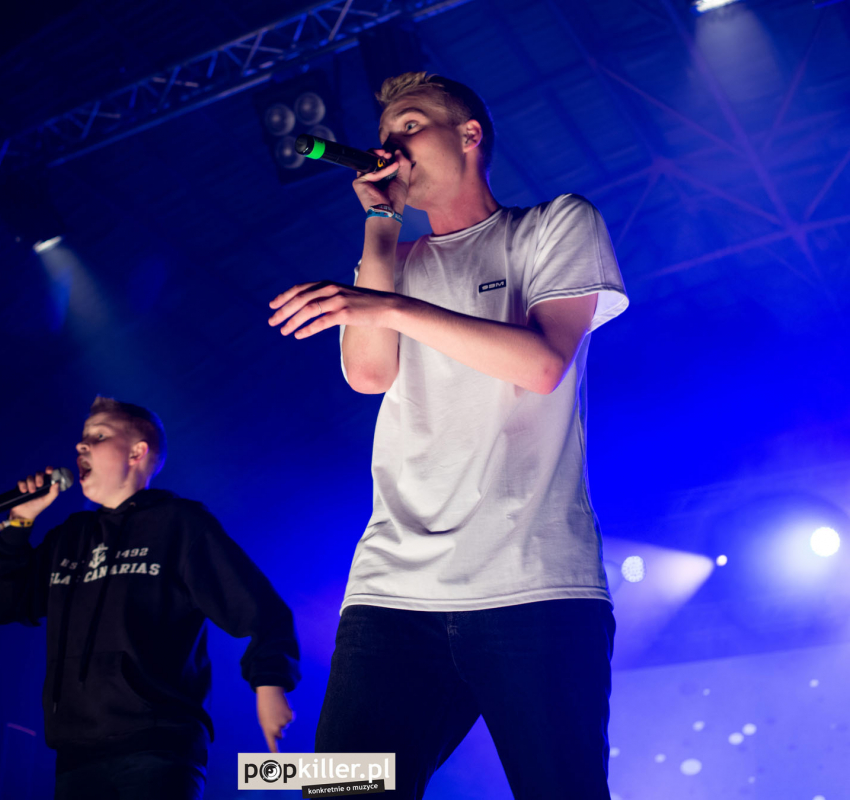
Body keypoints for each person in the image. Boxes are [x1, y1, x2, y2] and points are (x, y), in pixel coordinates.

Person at [268, 72, 628, 798]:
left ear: (469, 135)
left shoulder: (553, 224)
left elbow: (543, 365)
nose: (389, 144)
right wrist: (380, 222)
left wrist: (387, 307)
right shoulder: (391, 266)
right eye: (384, 134)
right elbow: (368, 373)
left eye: (408, 125)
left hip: (532, 581)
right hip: (392, 589)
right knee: (336, 791)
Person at [0, 396, 300, 799]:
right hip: (74, 754)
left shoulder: (179, 524)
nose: (81, 445)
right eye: (82, 437)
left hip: (157, 747)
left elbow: (260, 608)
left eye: (98, 435)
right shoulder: (69, 538)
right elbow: (4, 602)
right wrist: (20, 522)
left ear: (137, 452)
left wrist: (270, 684)